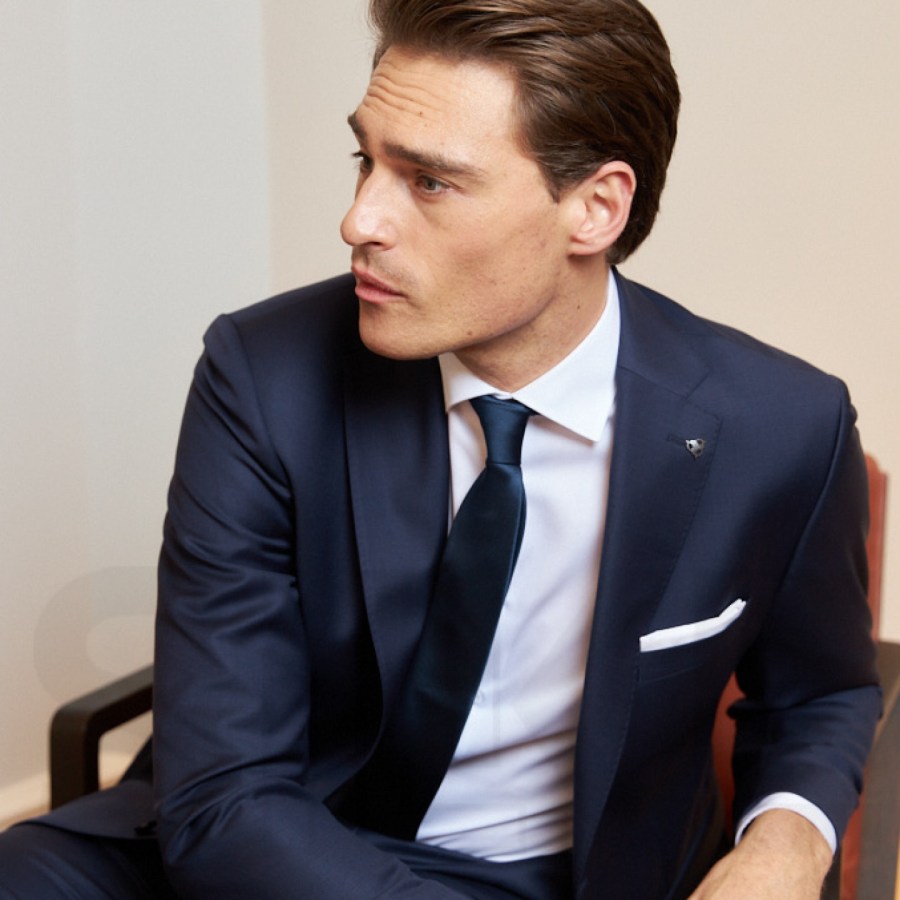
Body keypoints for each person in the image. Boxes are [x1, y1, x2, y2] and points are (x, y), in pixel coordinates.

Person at [0, 0, 881, 897]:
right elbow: (226, 790)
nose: (358, 221)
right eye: (366, 160)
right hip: (268, 836)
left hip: (554, 877)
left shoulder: (779, 425)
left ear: (595, 208)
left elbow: (822, 692)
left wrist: (786, 845)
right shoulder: (263, 375)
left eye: (429, 182)